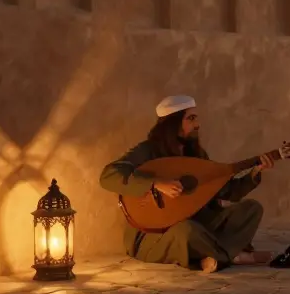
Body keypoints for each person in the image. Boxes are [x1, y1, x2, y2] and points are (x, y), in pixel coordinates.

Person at [99, 95, 275, 274]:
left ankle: (213, 256)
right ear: (172, 124)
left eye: (196, 118)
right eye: (191, 118)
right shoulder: (148, 150)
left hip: (198, 223)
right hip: (155, 234)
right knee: (186, 231)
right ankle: (233, 256)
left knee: (251, 209)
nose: (197, 124)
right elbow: (109, 175)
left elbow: (228, 191)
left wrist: (254, 173)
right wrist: (155, 184)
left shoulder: (197, 155)